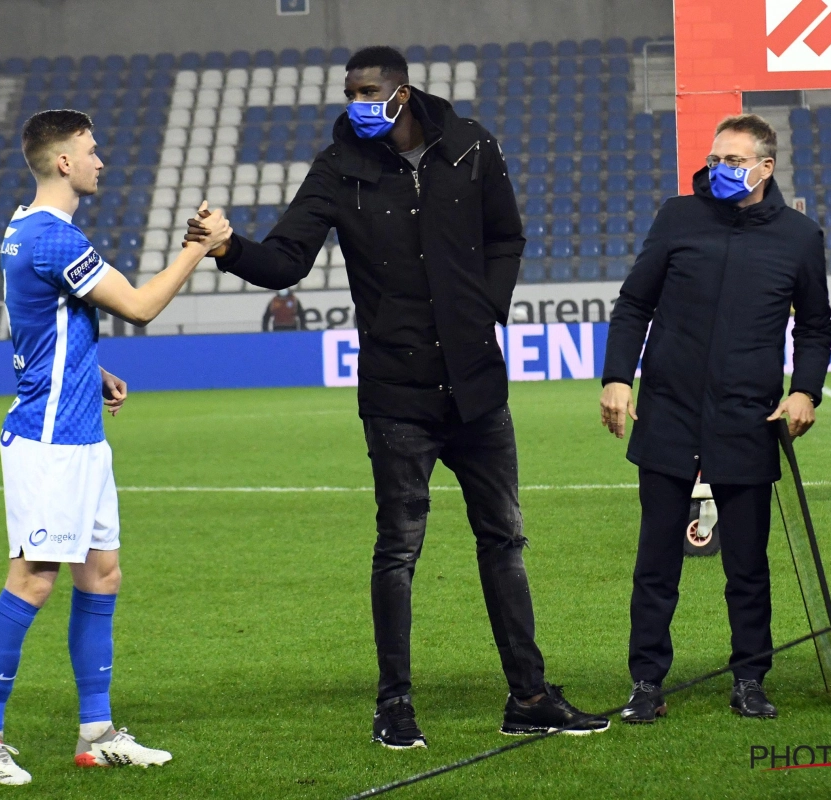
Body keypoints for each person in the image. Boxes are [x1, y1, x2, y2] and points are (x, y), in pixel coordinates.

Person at [184, 45, 608, 748]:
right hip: (395, 394)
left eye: (368, 91)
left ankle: (529, 696)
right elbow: (287, 259)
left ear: (402, 94)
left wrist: (485, 310)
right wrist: (228, 248)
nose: (357, 102)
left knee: (504, 540)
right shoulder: (336, 167)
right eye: (349, 91)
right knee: (398, 551)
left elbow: (507, 235)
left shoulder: (472, 147)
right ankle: (395, 705)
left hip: (477, 389)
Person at [0, 109, 230, 785]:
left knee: (101, 574)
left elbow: (43, 326)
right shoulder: (53, 239)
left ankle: (97, 733)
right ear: (62, 163)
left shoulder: (29, 228)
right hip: (49, 443)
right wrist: (200, 247)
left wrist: (89, 369)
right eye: (90, 149)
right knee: (33, 579)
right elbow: (138, 306)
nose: (100, 159)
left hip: (79, 433)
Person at [599, 114, 831, 724]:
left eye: (733, 161)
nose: (719, 170)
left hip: (748, 417)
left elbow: (814, 326)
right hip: (670, 412)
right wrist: (618, 377)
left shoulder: (800, 237)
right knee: (656, 562)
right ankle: (646, 681)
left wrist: (806, 389)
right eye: (715, 158)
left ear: (765, 167)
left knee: (748, 565)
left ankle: (750, 678)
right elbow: (633, 303)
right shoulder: (678, 216)